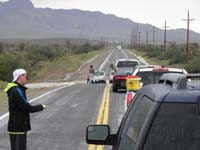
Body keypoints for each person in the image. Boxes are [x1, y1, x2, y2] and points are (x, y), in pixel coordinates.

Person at [4, 69, 47, 150]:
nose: (26, 78)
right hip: (17, 127)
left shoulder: (18, 89)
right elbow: (27, 108)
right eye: (25, 76)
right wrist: (41, 107)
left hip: (19, 127)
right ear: (20, 77)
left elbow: (24, 106)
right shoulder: (15, 90)